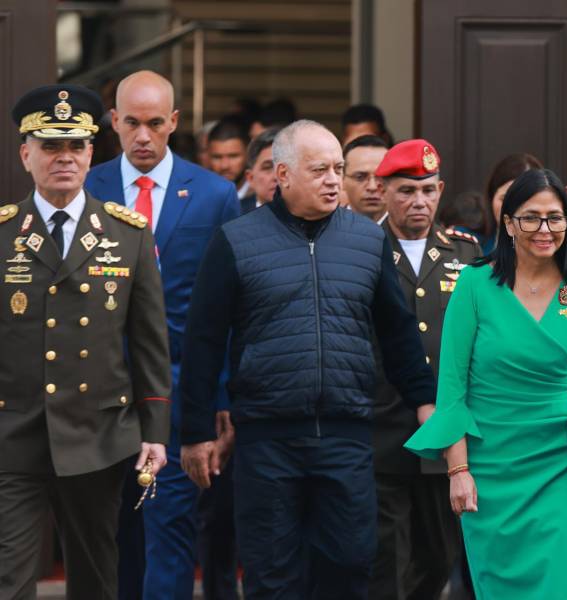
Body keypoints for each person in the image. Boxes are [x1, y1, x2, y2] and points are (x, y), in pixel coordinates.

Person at [179, 119, 436, 599]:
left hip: (346, 435)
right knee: (273, 575)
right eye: (320, 170)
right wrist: (194, 432)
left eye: (339, 168)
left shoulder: (367, 239)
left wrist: (424, 400)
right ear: (283, 174)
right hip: (267, 440)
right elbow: (203, 341)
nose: (334, 180)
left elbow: (397, 331)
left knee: (350, 565)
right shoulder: (235, 241)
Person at [405, 168, 567, 598]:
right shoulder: (474, 284)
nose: (544, 229)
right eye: (531, 217)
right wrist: (459, 470)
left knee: (562, 586)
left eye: (555, 218)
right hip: (491, 470)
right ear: (508, 223)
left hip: (561, 463)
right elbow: (452, 393)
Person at [0, 84, 171, 600]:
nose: (65, 158)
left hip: (98, 436)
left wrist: (155, 429)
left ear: (93, 152)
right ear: (25, 153)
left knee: (96, 576)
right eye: (51, 146)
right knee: (9, 577)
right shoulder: (4, 234)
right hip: (15, 434)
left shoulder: (127, 233)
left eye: (76, 146)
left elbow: (148, 342)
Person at [84, 70, 240, 600]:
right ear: (114, 122)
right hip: (100, 393)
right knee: (111, 532)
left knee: (169, 528)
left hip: (178, 392)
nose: (143, 136)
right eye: (132, 123)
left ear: (174, 121)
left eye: (155, 123)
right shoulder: (88, 185)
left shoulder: (216, 195)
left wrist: (219, 398)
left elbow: (226, 310)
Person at [369, 139, 481, 600]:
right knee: (385, 561)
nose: (420, 202)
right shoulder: (360, 246)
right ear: (382, 189)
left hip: (445, 434)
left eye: (429, 190)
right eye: (407, 191)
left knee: (438, 558)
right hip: (383, 425)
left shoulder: (466, 254)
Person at [484, 153, 544, 251]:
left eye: (523, 200)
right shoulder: (470, 244)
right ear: (492, 197)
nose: (512, 207)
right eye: (504, 198)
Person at [342, 134, 389, 222]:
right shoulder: (323, 231)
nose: (372, 187)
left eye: (382, 178)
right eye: (360, 177)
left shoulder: (412, 232)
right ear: (342, 180)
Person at [207, 116, 251, 199]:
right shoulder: (198, 196)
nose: (225, 166)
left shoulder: (263, 195)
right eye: (217, 157)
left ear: (248, 154)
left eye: (233, 156)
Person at [241, 127, 281, 213]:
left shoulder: (313, 217)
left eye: (285, 168)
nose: (276, 177)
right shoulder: (233, 217)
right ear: (250, 178)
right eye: (267, 167)